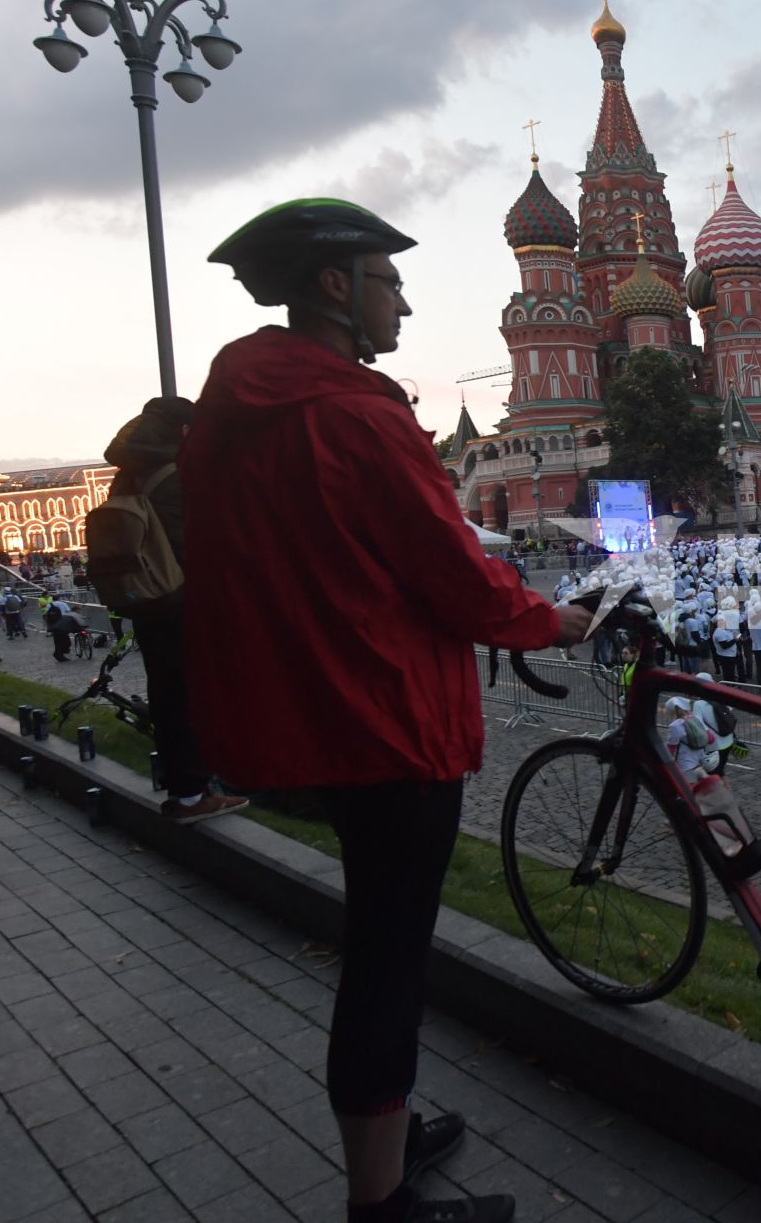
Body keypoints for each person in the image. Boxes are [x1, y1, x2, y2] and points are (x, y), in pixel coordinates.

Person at [186, 198, 593, 1223]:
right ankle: (383, 1199)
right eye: (389, 278)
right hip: (387, 713)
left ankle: (389, 1126)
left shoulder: (239, 407)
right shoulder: (357, 415)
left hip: (311, 705)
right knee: (386, 959)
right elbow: (452, 572)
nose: (403, 296)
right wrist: (556, 621)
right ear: (336, 286)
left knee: (377, 941)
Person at [97, 397, 248, 822]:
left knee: (167, 694)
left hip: (147, 599)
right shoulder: (177, 476)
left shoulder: (129, 475)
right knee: (192, 696)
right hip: (184, 601)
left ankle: (187, 788)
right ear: (183, 431)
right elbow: (206, 544)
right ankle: (194, 792)